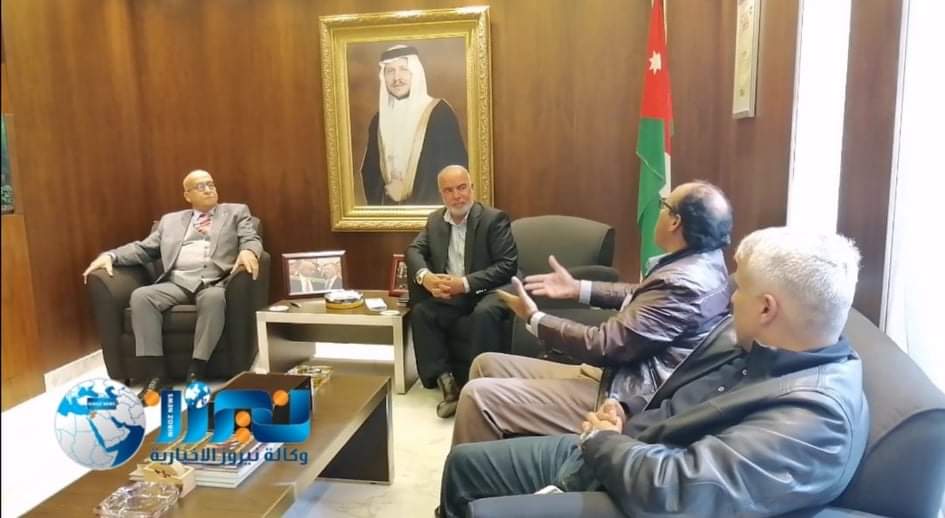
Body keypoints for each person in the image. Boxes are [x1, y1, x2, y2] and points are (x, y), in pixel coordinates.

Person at [439, 227, 869, 518]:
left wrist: (603, 440)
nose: (730, 298)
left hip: (631, 486)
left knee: (479, 493)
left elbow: (679, 490)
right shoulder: (758, 349)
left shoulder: (816, 420)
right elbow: (674, 396)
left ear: (766, 309)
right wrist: (625, 411)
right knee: (464, 465)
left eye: (741, 289)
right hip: (621, 449)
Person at [451, 181, 733, 445]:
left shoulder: (683, 283)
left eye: (664, 205)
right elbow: (643, 295)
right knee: (485, 364)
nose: (659, 210)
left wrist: (535, 319)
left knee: (477, 397)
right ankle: (497, 465)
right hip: (620, 376)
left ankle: (471, 480)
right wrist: (577, 288)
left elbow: (603, 344)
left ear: (675, 222)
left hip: (620, 400)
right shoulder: (704, 262)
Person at [82, 169, 262, 401]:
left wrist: (249, 251)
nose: (208, 190)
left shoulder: (236, 212)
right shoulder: (170, 221)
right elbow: (143, 249)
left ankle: (197, 368)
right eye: (201, 186)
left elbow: (251, 238)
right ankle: (156, 374)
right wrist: (111, 255)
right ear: (187, 195)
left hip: (215, 282)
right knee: (141, 296)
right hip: (177, 283)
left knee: (215, 299)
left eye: (211, 184)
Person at [406, 165, 518, 418]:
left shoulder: (493, 219)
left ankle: (479, 387)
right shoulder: (435, 221)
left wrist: (465, 283)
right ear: (442, 195)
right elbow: (414, 250)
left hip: (489, 288)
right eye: (449, 190)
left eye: (462, 188)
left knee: (483, 314)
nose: (457, 196)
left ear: (472, 188)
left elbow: (507, 265)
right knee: (423, 312)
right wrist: (426, 277)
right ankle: (447, 383)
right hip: (455, 294)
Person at [360, 45, 468, 206]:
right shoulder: (378, 120)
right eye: (390, 71)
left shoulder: (439, 113)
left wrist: (407, 192)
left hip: (431, 212)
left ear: (415, 73)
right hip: (389, 214)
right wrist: (387, 192)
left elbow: (453, 169)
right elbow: (370, 172)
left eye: (403, 69)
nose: (397, 78)